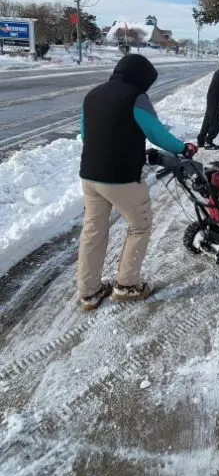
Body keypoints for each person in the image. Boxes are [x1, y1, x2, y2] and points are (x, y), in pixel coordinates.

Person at [77, 53, 191, 311]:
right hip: (122, 178)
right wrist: (183, 148)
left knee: (93, 232)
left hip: (90, 176)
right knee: (140, 226)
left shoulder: (92, 94)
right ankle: (126, 285)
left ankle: (89, 291)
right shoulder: (136, 97)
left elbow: (85, 134)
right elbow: (157, 133)